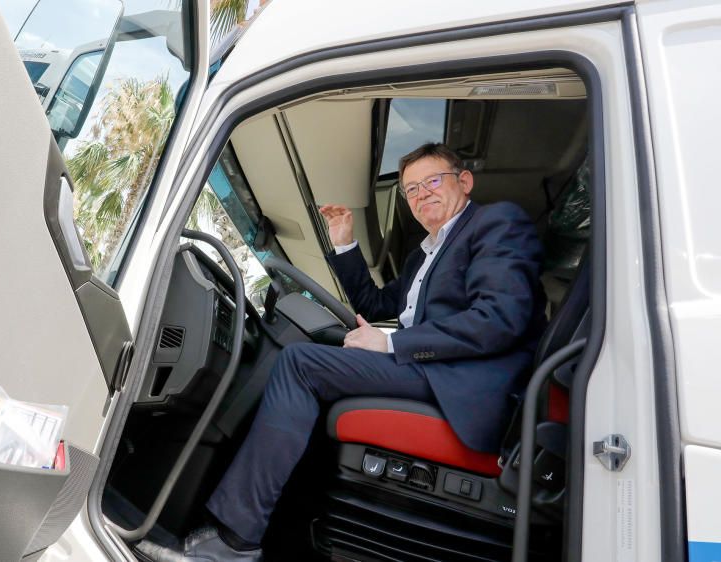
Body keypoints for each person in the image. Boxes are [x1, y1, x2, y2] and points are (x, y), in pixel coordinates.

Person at [139, 143, 547, 562]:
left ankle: (233, 543)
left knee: (300, 364)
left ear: (464, 181)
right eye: (410, 190)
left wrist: (390, 342)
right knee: (309, 366)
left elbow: (499, 319)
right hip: (433, 370)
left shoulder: (496, 222)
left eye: (432, 181)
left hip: (462, 383)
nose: (421, 194)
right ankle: (282, 524)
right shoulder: (423, 255)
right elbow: (375, 306)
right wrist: (345, 244)